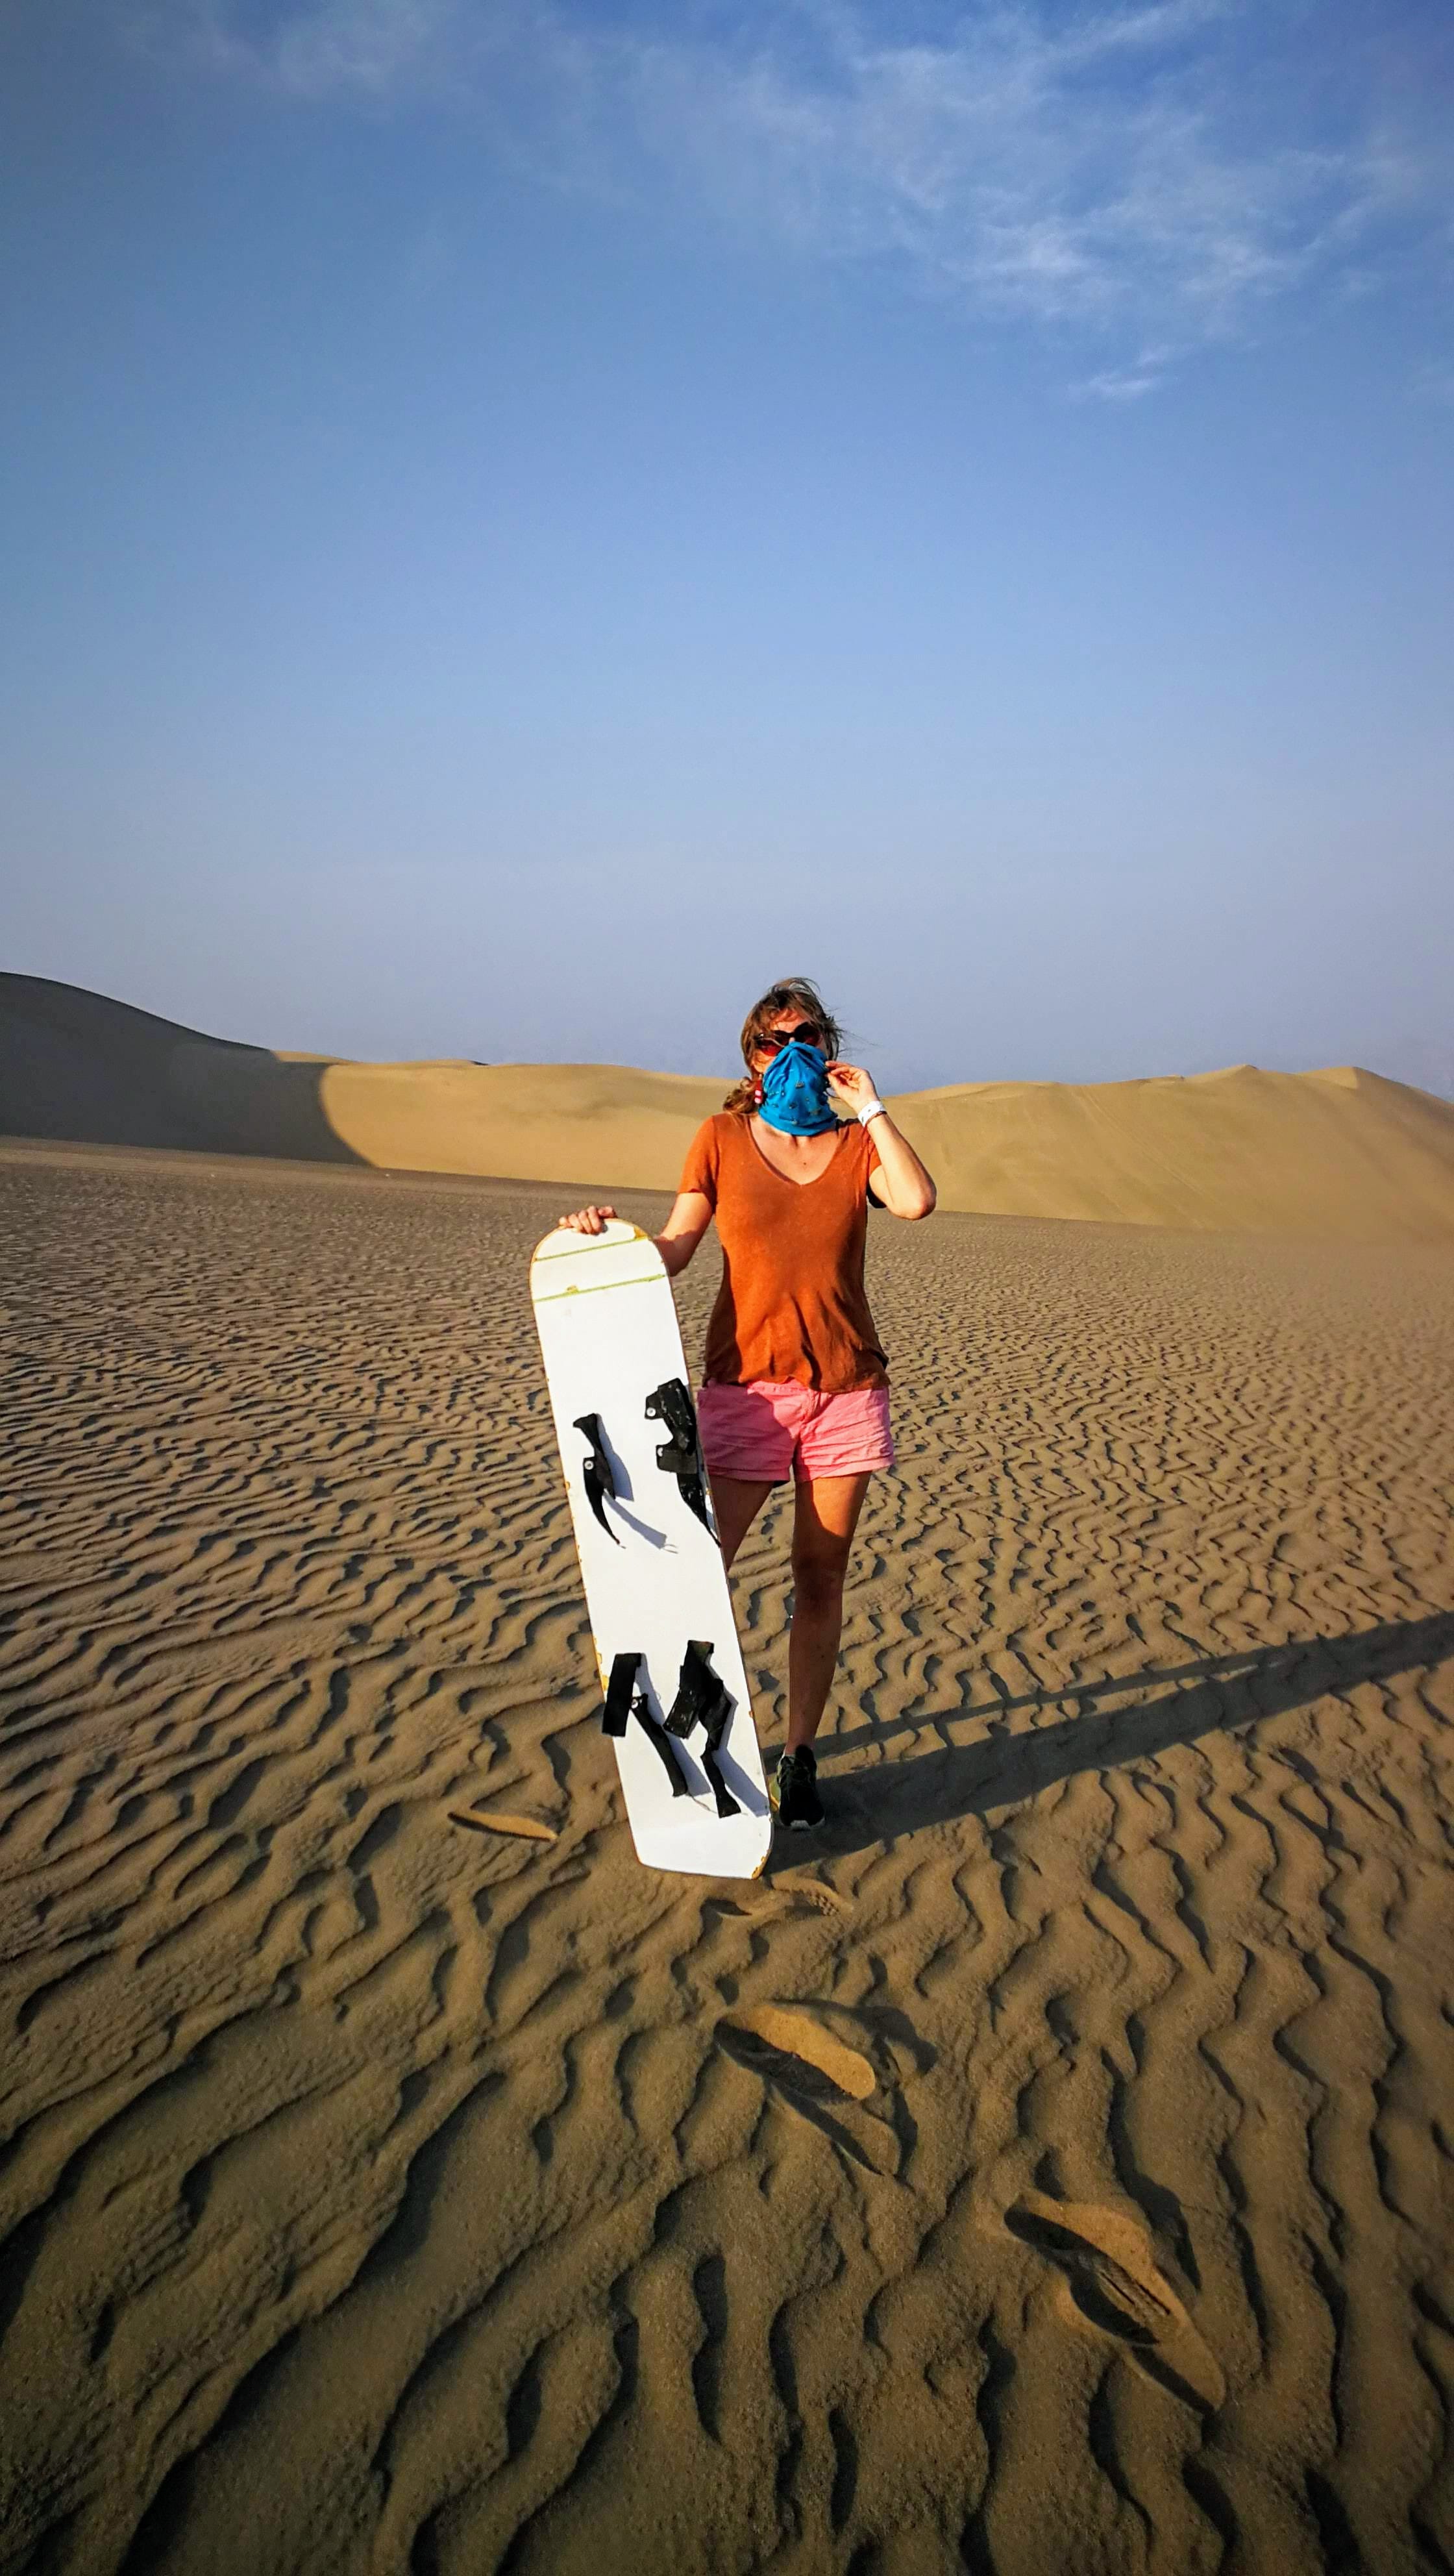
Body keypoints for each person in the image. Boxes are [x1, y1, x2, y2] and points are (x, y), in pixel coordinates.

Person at [558, 976, 937, 1830]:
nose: (791, 1050)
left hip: (845, 1390)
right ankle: (671, 1733)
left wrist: (872, 1108)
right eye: (774, 1040)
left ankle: (798, 1756)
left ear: (829, 1049)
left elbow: (916, 1201)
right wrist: (602, 1244)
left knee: (820, 1576)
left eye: (808, 1037)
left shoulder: (857, 1148)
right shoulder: (721, 1139)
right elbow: (677, 1246)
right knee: (698, 1574)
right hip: (746, 1392)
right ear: (752, 1057)